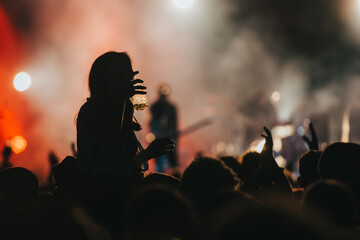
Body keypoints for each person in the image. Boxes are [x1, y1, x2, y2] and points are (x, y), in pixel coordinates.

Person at [75, 51, 175, 186]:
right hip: (101, 194)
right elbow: (108, 160)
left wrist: (149, 153)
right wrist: (121, 100)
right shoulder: (90, 110)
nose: (127, 81)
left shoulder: (125, 108)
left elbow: (126, 164)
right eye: (118, 75)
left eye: (128, 75)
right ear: (103, 80)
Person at [149, 83, 179, 173]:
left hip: (170, 137)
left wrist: (173, 134)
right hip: (158, 136)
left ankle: (174, 174)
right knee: (158, 160)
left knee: (172, 159)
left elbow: (174, 123)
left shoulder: (172, 107)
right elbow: (151, 122)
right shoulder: (154, 106)